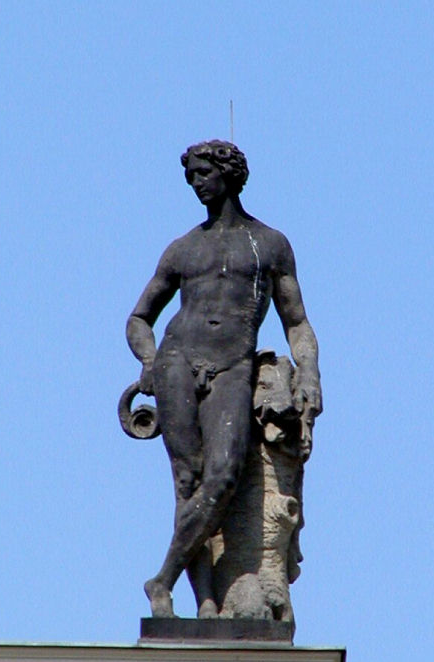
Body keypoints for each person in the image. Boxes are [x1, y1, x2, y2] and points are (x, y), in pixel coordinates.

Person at [127, 140, 321, 618]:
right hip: (177, 360)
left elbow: (296, 321)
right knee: (188, 479)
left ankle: (162, 578)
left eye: (203, 173)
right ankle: (205, 602)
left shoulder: (270, 244)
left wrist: (310, 373)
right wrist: (149, 360)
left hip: (233, 366)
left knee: (224, 476)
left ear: (228, 174)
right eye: (190, 176)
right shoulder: (182, 249)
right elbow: (139, 318)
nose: (195, 183)